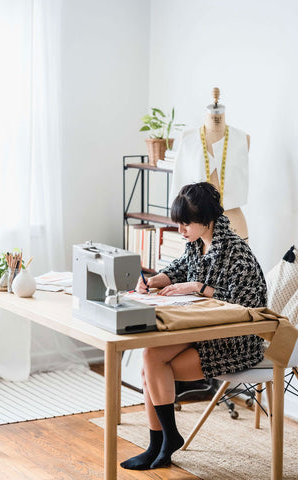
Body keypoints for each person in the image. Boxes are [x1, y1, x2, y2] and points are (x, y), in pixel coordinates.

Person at [120, 182, 267, 471]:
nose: (181, 229)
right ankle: (160, 443)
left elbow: (249, 303)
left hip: (234, 339)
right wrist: (153, 280)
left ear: (207, 220)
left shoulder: (237, 251)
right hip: (201, 330)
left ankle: (164, 441)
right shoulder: (196, 243)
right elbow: (177, 269)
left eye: (186, 223)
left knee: (153, 366)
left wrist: (199, 287)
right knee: (151, 356)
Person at [170, 88, 250, 240]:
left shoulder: (242, 139)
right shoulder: (187, 139)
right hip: (198, 223)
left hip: (233, 221)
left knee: (238, 262)